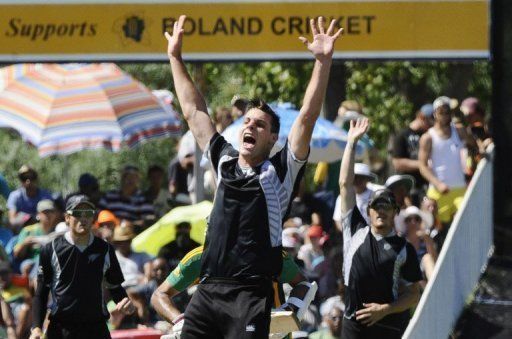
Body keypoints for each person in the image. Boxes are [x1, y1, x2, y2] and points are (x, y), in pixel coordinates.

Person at [164, 15, 342, 338]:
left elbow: (306, 117)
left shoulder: (281, 171)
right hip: (206, 292)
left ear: (273, 138)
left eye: (260, 124)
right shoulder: (224, 161)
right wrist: (175, 58)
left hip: (250, 295)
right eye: (247, 121)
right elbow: (193, 111)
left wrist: (322, 62)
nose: (250, 127)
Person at [338, 118, 422, 339]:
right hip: (354, 327)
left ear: (396, 211)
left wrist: (385, 309)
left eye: (387, 206)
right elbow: (345, 184)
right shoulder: (354, 229)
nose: (381, 211)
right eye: (377, 206)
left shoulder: (405, 249)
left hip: (389, 328)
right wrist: (351, 143)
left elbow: (414, 294)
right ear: (368, 210)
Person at [30, 195, 135, 339]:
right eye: (78, 214)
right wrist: (36, 327)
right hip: (61, 329)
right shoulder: (51, 249)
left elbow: (115, 288)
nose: (83, 218)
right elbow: (41, 293)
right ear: (67, 218)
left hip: (96, 328)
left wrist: (125, 302)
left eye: (88, 214)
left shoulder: (105, 249)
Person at [151, 246, 310, 337]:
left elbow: (302, 283)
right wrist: (179, 321)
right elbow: (160, 295)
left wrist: (289, 312)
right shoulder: (199, 258)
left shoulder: (271, 254)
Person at [418, 96, 476, 225]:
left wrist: (464, 123)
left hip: (460, 190)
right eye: (441, 112)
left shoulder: (459, 131)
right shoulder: (428, 137)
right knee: (436, 231)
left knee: (466, 225)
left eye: (447, 112)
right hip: (438, 192)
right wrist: (438, 183)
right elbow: (422, 166)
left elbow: (474, 145)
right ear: (434, 114)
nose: (444, 115)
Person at [391, 104, 434, 202]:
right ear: (422, 117)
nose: (432, 124)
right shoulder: (402, 135)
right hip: (409, 189)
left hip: (428, 186)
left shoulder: (429, 135)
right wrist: (423, 164)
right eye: (430, 121)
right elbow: (397, 163)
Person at [13, 199, 59, 278]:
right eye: (45, 212)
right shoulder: (28, 230)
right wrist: (26, 243)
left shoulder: (58, 231)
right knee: (37, 263)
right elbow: (16, 254)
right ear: (38, 214)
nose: (48, 215)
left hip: (54, 261)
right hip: (32, 261)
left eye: (51, 212)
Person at [7, 165, 52, 230]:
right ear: (21, 180)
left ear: (35, 178)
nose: (28, 181)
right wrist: (25, 219)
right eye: (24, 178)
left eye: (31, 178)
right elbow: (12, 221)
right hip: (21, 231)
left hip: (42, 229)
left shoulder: (45, 195)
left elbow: (51, 215)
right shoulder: (15, 196)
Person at [332, 163, 376, 229]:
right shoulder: (343, 197)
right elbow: (338, 219)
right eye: (355, 177)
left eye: (361, 178)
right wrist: (347, 233)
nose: (358, 180)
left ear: (367, 179)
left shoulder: (375, 196)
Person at [112, 222, 152, 288]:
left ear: (130, 241)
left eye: (127, 241)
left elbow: (148, 275)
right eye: (120, 242)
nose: (124, 244)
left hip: (140, 289)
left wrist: (146, 279)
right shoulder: (111, 258)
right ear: (116, 243)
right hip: (121, 290)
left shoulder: (142, 256)